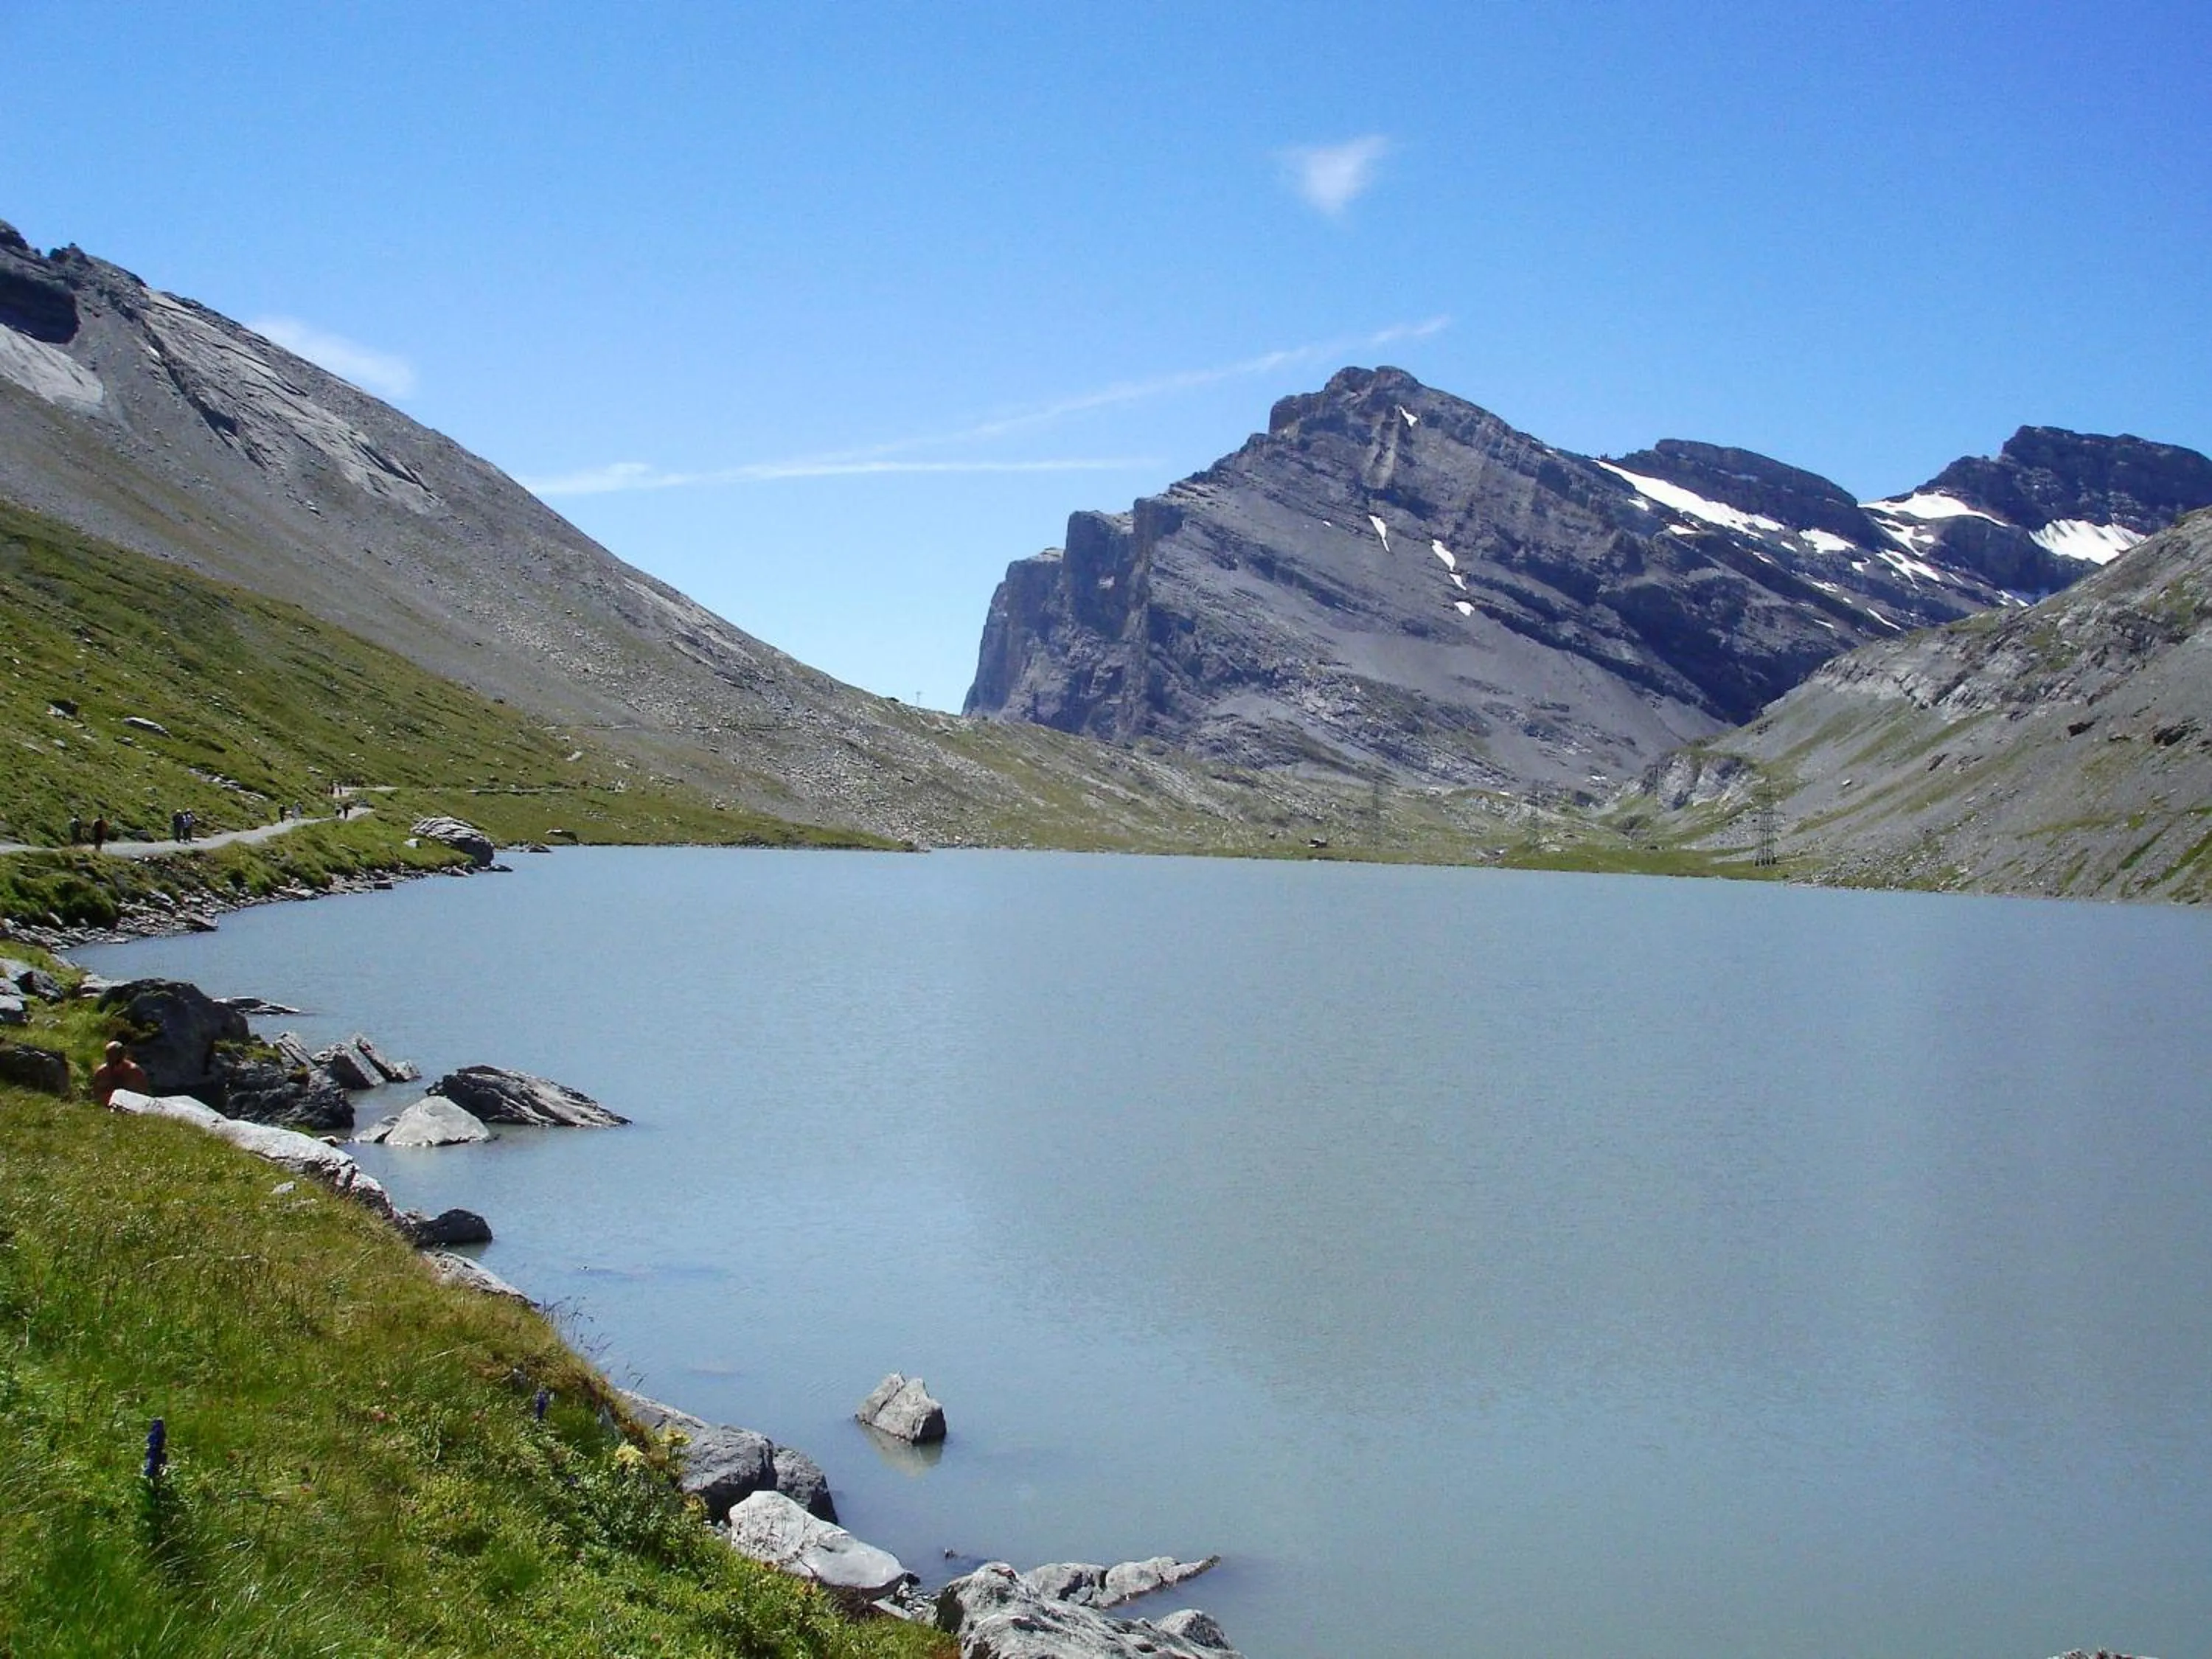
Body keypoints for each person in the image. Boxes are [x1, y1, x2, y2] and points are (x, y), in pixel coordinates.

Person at [91, 1041, 149, 1106]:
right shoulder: (102, 1073)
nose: (114, 1067)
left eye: (117, 1061)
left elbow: (142, 1095)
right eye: (110, 1061)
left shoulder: (135, 1073)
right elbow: (96, 1094)